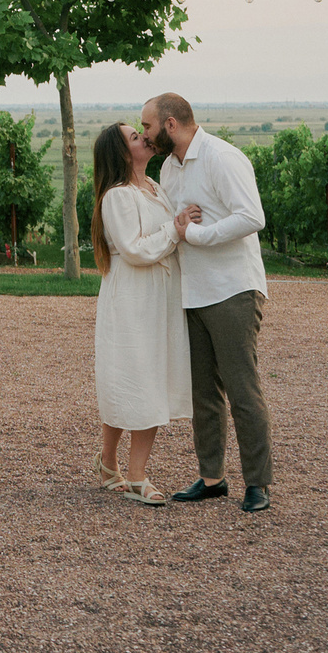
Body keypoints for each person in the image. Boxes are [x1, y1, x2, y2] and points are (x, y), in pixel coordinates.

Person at [141, 92, 273, 512]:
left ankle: (258, 483)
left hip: (232, 288)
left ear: (171, 124)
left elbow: (252, 216)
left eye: (147, 126)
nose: (144, 133)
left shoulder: (221, 157)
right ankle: (213, 478)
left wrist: (198, 235)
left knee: (242, 388)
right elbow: (176, 224)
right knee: (203, 392)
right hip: (192, 291)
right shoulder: (169, 167)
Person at [89, 120, 190, 506]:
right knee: (135, 380)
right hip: (132, 298)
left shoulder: (154, 188)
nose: (145, 138)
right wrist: (175, 233)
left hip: (158, 295)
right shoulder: (118, 196)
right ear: (122, 153)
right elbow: (134, 249)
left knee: (144, 377)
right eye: (135, 137)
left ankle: (110, 464)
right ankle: (135, 476)